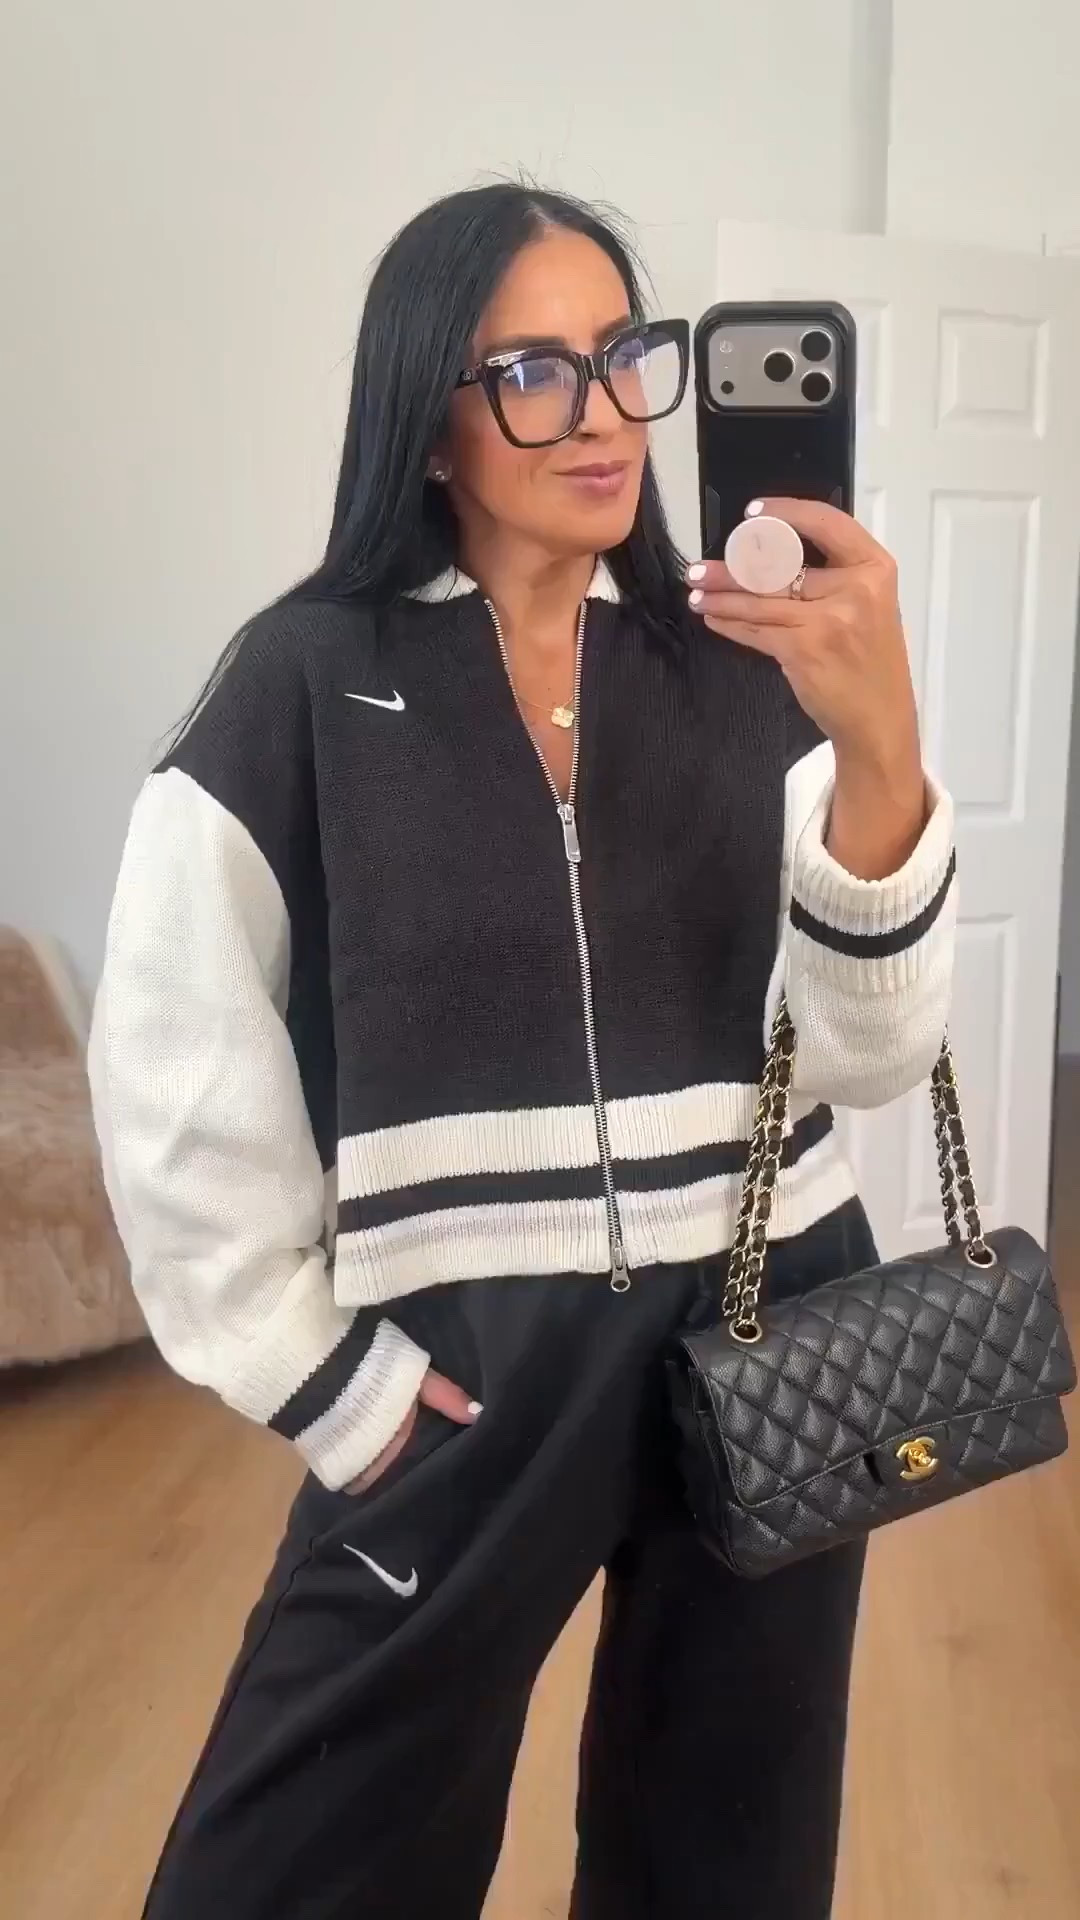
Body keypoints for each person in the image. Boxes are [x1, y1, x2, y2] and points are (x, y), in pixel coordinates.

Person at [89, 183, 955, 1920]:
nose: (606, 414)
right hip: (468, 1366)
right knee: (300, 1864)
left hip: (777, 1319)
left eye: (626, 356)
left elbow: (871, 1057)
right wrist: (324, 1382)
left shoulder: (743, 664)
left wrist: (882, 749)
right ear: (430, 422)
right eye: (535, 373)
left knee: (728, 1853)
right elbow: (173, 1065)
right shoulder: (307, 681)